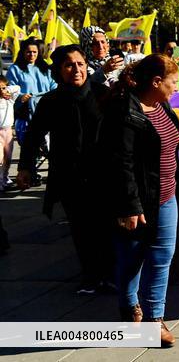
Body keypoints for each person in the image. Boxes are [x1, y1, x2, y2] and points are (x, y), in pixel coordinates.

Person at [101, 54, 179, 347]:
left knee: (162, 257)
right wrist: (129, 206)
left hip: (165, 197)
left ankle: (154, 319)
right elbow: (120, 163)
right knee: (131, 259)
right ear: (156, 82)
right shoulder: (125, 112)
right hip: (136, 201)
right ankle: (129, 306)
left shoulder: (162, 105)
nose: (177, 87)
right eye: (173, 82)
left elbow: (162, 135)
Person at [17, 45, 112, 294]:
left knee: (106, 227)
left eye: (80, 64)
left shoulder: (104, 96)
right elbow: (34, 135)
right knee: (81, 228)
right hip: (70, 177)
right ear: (59, 70)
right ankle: (91, 276)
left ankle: (110, 274)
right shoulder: (51, 101)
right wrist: (25, 167)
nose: (76, 70)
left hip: (104, 175)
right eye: (69, 65)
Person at [6, 39, 57, 144]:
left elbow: (54, 85)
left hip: (46, 110)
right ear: (23, 52)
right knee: (29, 147)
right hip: (25, 112)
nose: (32, 54)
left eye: (35, 52)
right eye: (29, 52)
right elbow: (10, 88)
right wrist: (20, 96)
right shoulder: (14, 69)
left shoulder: (45, 68)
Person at [0, 76, 17, 190]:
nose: (1, 90)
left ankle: (5, 177)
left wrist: (7, 90)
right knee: (0, 158)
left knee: (8, 157)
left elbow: (18, 88)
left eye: (3, 87)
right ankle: (0, 181)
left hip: (8, 131)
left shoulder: (10, 99)